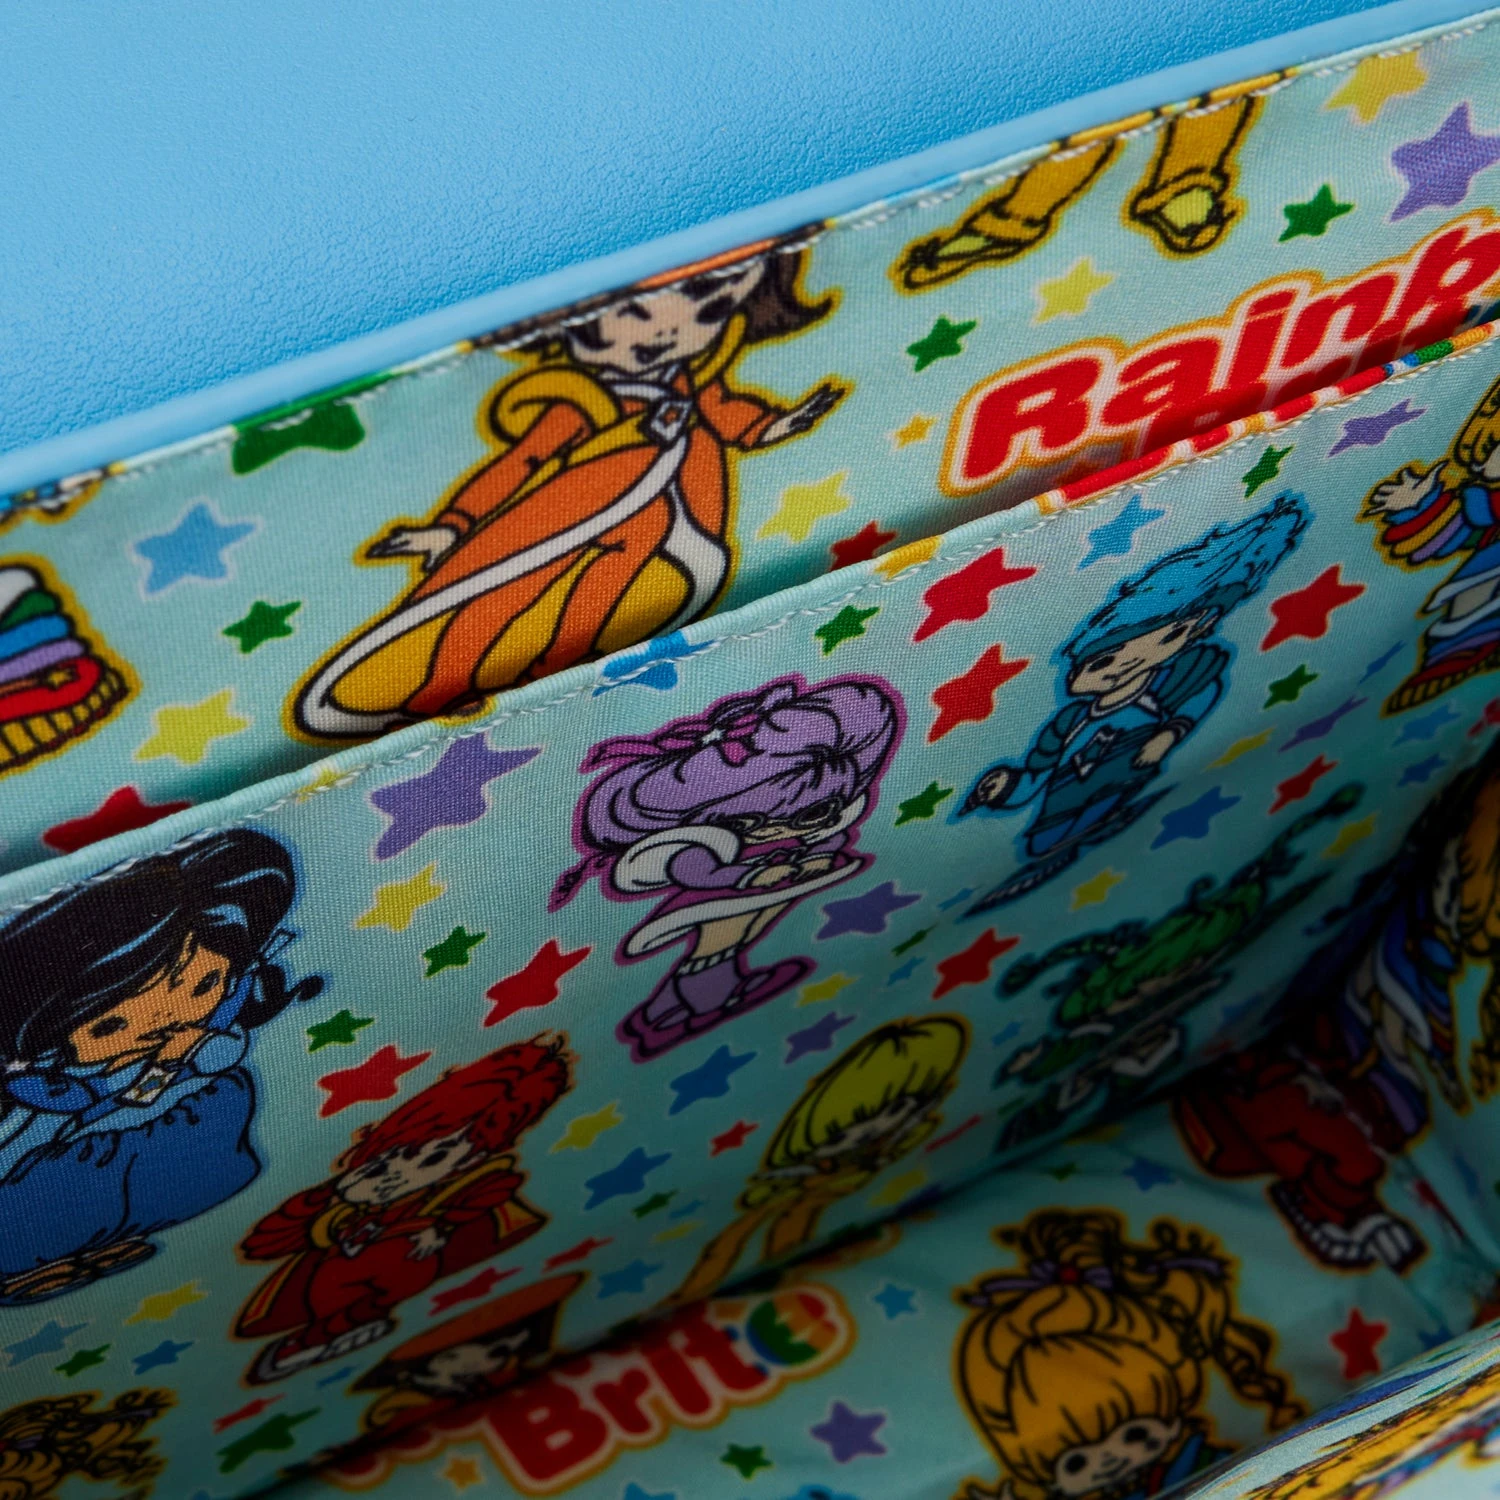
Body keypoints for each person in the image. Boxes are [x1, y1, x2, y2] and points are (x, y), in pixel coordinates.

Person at [0, 830, 322, 1304]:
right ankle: (34, 1268)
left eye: (204, 984)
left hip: (181, 1137)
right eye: (110, 1025)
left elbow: (221, 1054)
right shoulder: (46, 1086)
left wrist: (184, 1057)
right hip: (76, 1161)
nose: (165, 1024)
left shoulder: (212, 1034)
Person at [553, 673, 903, 1059]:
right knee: (723, 939)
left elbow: (830, 836)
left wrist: (819, 854)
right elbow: (694, 872)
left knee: (749, 932)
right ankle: (709, 1000)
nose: (776, 829)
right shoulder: (698, 845)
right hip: (719, 896)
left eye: (811, 813)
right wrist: (753, 874)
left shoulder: (821, 815)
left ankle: (662, 1011)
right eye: (747, 822)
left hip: (769, 887)